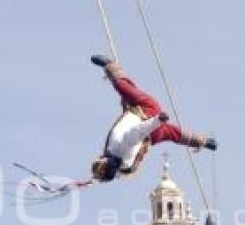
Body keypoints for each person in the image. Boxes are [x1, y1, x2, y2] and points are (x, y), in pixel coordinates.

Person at [88, 54, 218, 183]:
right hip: (147, 112)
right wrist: (157, 121)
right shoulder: (121, 150)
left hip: (150, 134)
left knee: (175, 135)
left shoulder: (123, 164)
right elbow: (136, 132)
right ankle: (110, 65)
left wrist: (96, 177)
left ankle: (204, 142)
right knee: (124, 88)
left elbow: (130, 132)